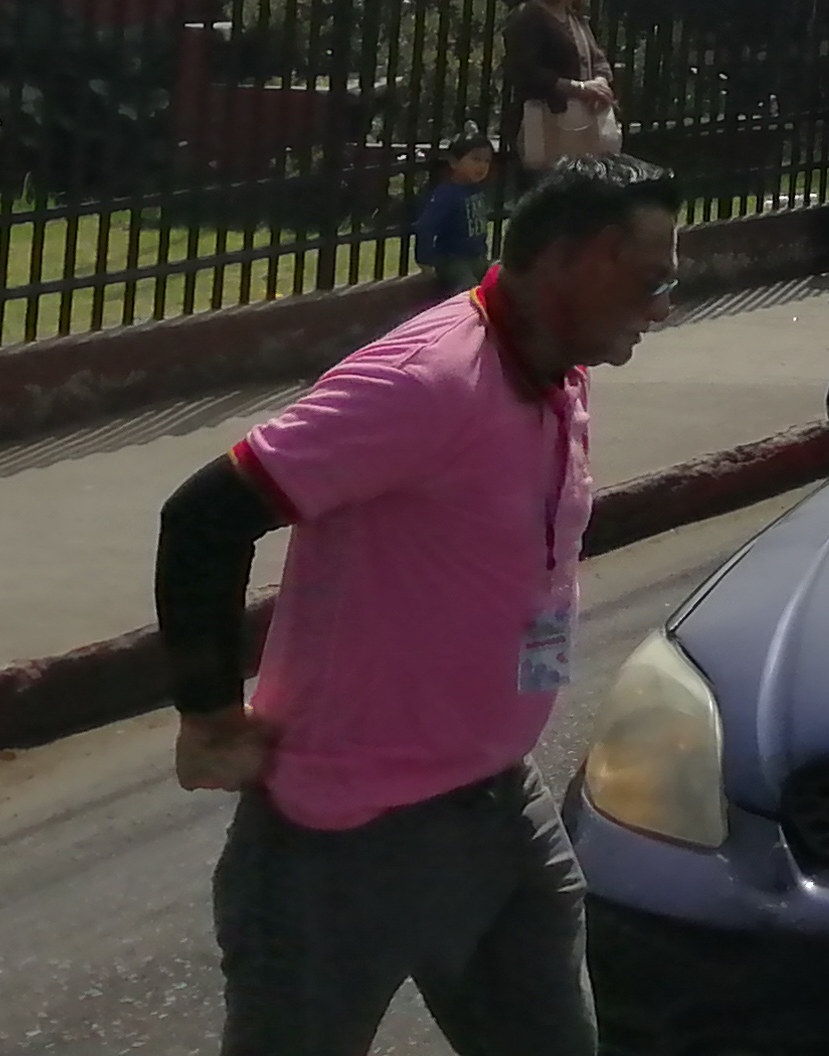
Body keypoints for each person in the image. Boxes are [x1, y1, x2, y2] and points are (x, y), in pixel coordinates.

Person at [155, 158, 681, 1056]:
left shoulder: (558, 373)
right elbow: (204, 517)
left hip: (497, 806)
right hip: (343, 843)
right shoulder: (426, 381)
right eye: (651, 279)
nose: (662, 307)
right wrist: (208, 713)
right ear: (575, 260)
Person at [502, 0, 614, 186]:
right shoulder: (528, 16)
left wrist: (600, 82)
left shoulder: (575, 18)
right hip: (547, 124)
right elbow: (523, 70)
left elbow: (598, 58)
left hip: (583, 127)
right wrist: (578, 88)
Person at [408, 141, 493, 300]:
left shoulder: (477, 190)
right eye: (476, 159)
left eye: (487, 161)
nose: (482, 166)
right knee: (470, 295)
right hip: (454, 259)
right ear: (454, 162)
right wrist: (424, 260)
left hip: (478, 256)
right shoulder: (446, 193)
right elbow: (426, 226)